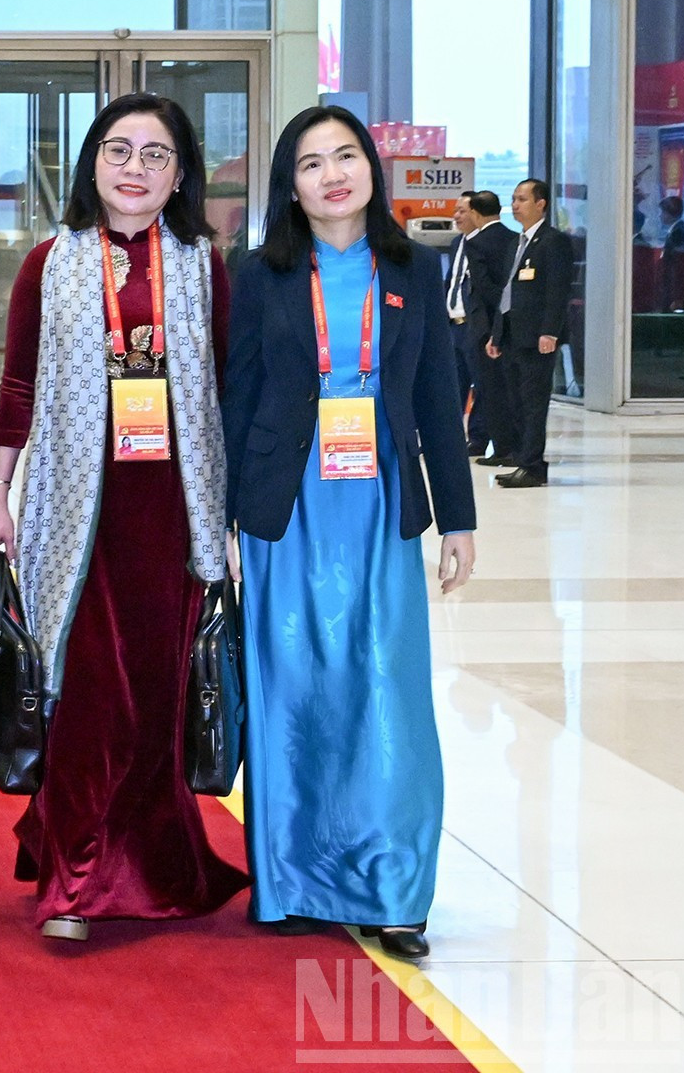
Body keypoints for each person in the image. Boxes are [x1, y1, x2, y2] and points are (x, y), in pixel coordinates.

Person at [0, 94, 246, 944]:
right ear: (93, 163)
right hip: (75, 511)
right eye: (120, 150)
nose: (136, 169)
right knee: (90, 691)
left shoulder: (202, 265)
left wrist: (230, 523)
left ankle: (159, 863)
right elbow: (17, 386)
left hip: (173, 512)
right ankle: (75, 875)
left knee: (164, 693)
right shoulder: (50, 263)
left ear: (179, 175)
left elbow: (226, 393)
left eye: (156, 154)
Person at [223, 106, 477, 962]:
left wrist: (460, 519)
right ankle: (294, 880)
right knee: (292, 686)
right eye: (309, 163)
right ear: (288, 187)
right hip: (284, 507)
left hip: (380, 503)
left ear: (371, 168)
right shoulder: (256, 275)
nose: (331, 174)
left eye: (345, 156)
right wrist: (220, 513)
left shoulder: (414, 266)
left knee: (386, 687)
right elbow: (237, 396)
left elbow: (438, 399)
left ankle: (394, 889)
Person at [484, 178, 576, 488]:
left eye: (522, 199)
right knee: (516, 402)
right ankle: (523, 460)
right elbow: (508, 291)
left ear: (541, 204)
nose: (515, 205)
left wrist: (550, 331)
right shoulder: (517, 242)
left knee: (534, 403)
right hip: (512, 335)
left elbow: (557, 291)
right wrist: (497, 334)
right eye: (513, 199)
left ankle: (533, 466)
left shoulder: (553, 241)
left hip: (537, 337)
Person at [451, 191, 518, 464]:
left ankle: (489, 443)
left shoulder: (481, 243)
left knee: (487, 387)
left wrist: (495, 327)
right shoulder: (460, 243)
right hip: (458, 325)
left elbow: (489, 289)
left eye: (462, 210)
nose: (457, 216)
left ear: (476, 213)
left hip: (478, 326)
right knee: (463, 386)